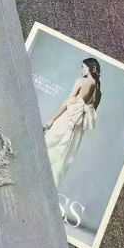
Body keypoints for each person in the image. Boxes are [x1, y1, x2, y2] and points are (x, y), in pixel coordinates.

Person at [44, 58, 101, 186]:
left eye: (83, 67)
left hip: (68, 119)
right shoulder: (98, 92)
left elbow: (67, 102)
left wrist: (52, 119)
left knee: (50, 144)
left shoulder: (81, 81)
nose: (81, 70)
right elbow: (90, 112)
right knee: (64, 155)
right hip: (78, 128)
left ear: (90, 68)